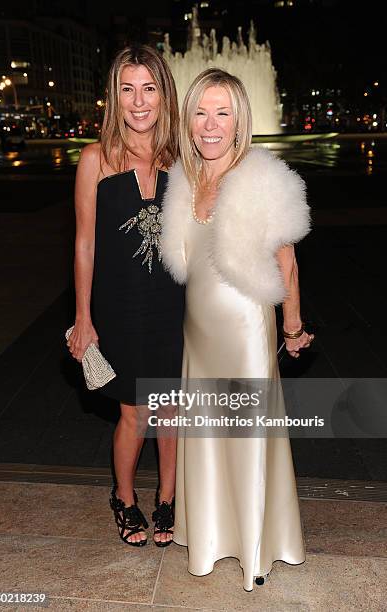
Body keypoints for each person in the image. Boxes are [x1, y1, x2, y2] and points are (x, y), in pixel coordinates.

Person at [161, 68, 313, 591]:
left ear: (239, 120)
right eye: (201, 111)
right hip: (198, 331)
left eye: (222, 113)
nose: (210, 124)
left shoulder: (260, 176)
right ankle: (210, 538)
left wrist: (292, 327)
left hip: (248, 328)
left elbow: (287, 264)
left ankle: (255, 552)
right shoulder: (185, 176)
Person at [67, 45, 185, 548]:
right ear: (114, 96)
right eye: (127, 88)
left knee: (170, 409)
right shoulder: (95, 158)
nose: (138, 102)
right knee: (134, 412)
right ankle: (124, 496)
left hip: (175, 304)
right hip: (120, 306)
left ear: (163, 95)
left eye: (149, 88)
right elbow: (85, 243)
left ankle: (167, 499)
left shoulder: (183, 157)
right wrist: (82, 318)